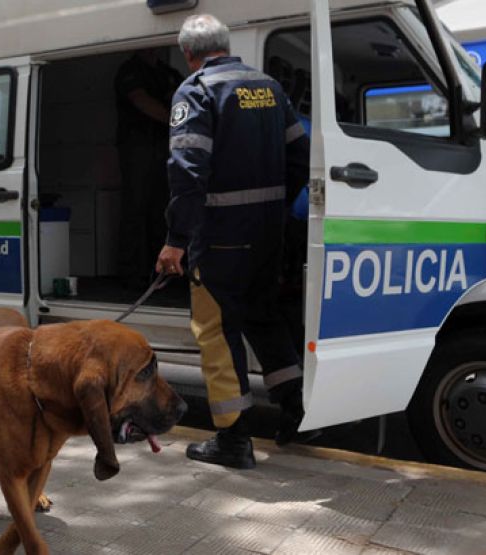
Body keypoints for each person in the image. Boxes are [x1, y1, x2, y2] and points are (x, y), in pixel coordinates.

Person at [155, 14, 311, 469]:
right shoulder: (268, 87)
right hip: (266, 235)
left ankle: (232, 439)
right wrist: (274, 207)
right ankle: (297, 409)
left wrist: (176, 240)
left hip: (219, 239)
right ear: (226, 43)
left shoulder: (197, 91)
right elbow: (299, 155)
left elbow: (187, 172)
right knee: (263, 319)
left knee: (217, 334)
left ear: (189, 54)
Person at [115, 48, 183, 288]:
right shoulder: (130, 70)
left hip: (164, 147)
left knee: (162, 211)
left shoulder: (168, 73)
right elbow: (142, 100)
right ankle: (131, 276)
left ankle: (162, 273)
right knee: (135, 209)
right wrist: (176, 122)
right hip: (139, 147)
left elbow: (184, 96)